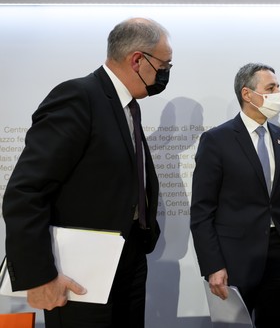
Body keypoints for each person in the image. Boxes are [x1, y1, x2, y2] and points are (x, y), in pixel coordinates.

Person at [2, 18, 172, 327]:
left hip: (128, 259)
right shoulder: (79, 97)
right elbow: (26, 192)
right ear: (137, 60)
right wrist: (39, 277)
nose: (165, 73)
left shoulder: (128, 107)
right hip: (81, 274)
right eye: (164, 64)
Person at [190, 63, 280, 328]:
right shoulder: (216, 140)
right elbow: (202, 210)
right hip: (234, 259)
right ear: (247, 94)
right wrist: (213, 265)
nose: (278, 93)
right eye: (271, 88)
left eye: (278, 87)